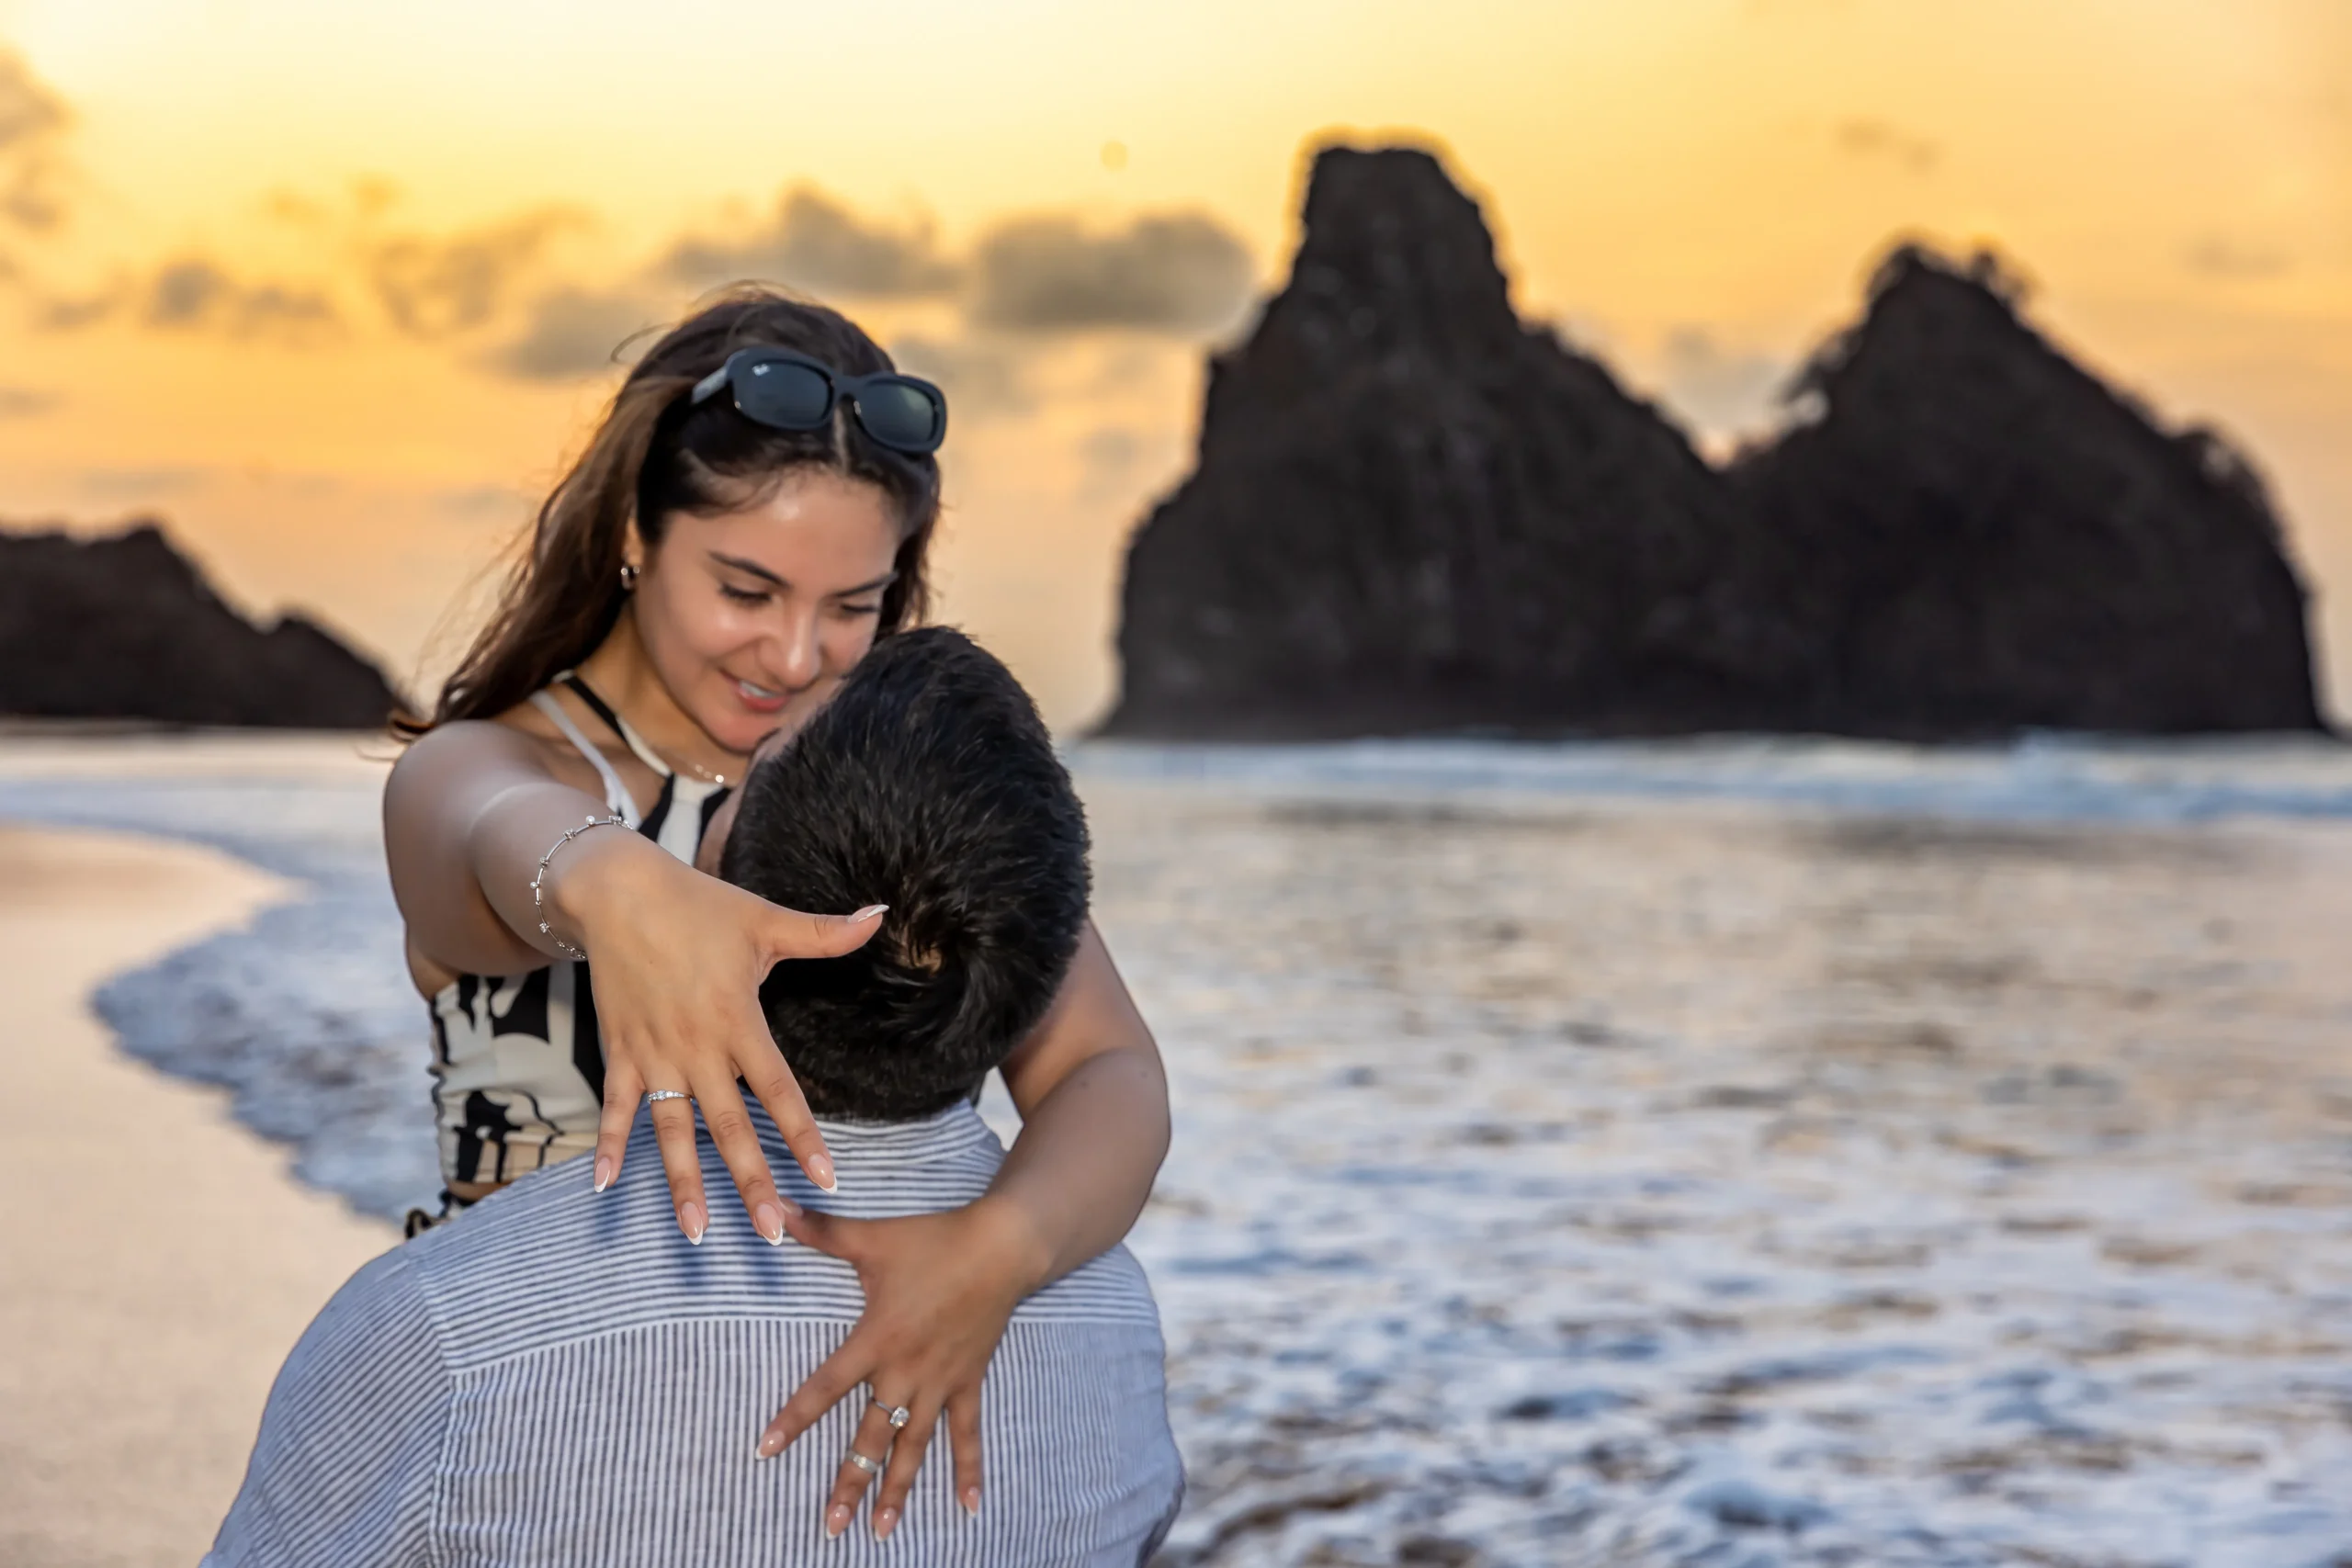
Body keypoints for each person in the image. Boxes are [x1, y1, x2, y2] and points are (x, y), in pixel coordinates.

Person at [379, 288, 1170, 1513]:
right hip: (531, 1451)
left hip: (819, 1479)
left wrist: (998, 1252)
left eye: (853, 605)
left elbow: (1109, 1071)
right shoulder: (512, 776)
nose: (797, 656)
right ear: (634, 530)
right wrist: (619, 889)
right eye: (746, 590)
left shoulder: (878, 796)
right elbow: (480, 820)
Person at [209, 626, 1183, 1564]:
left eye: (759, 760)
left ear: (714, 869)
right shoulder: (1118, 1333)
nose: (799, 651)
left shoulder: (445, 1332)